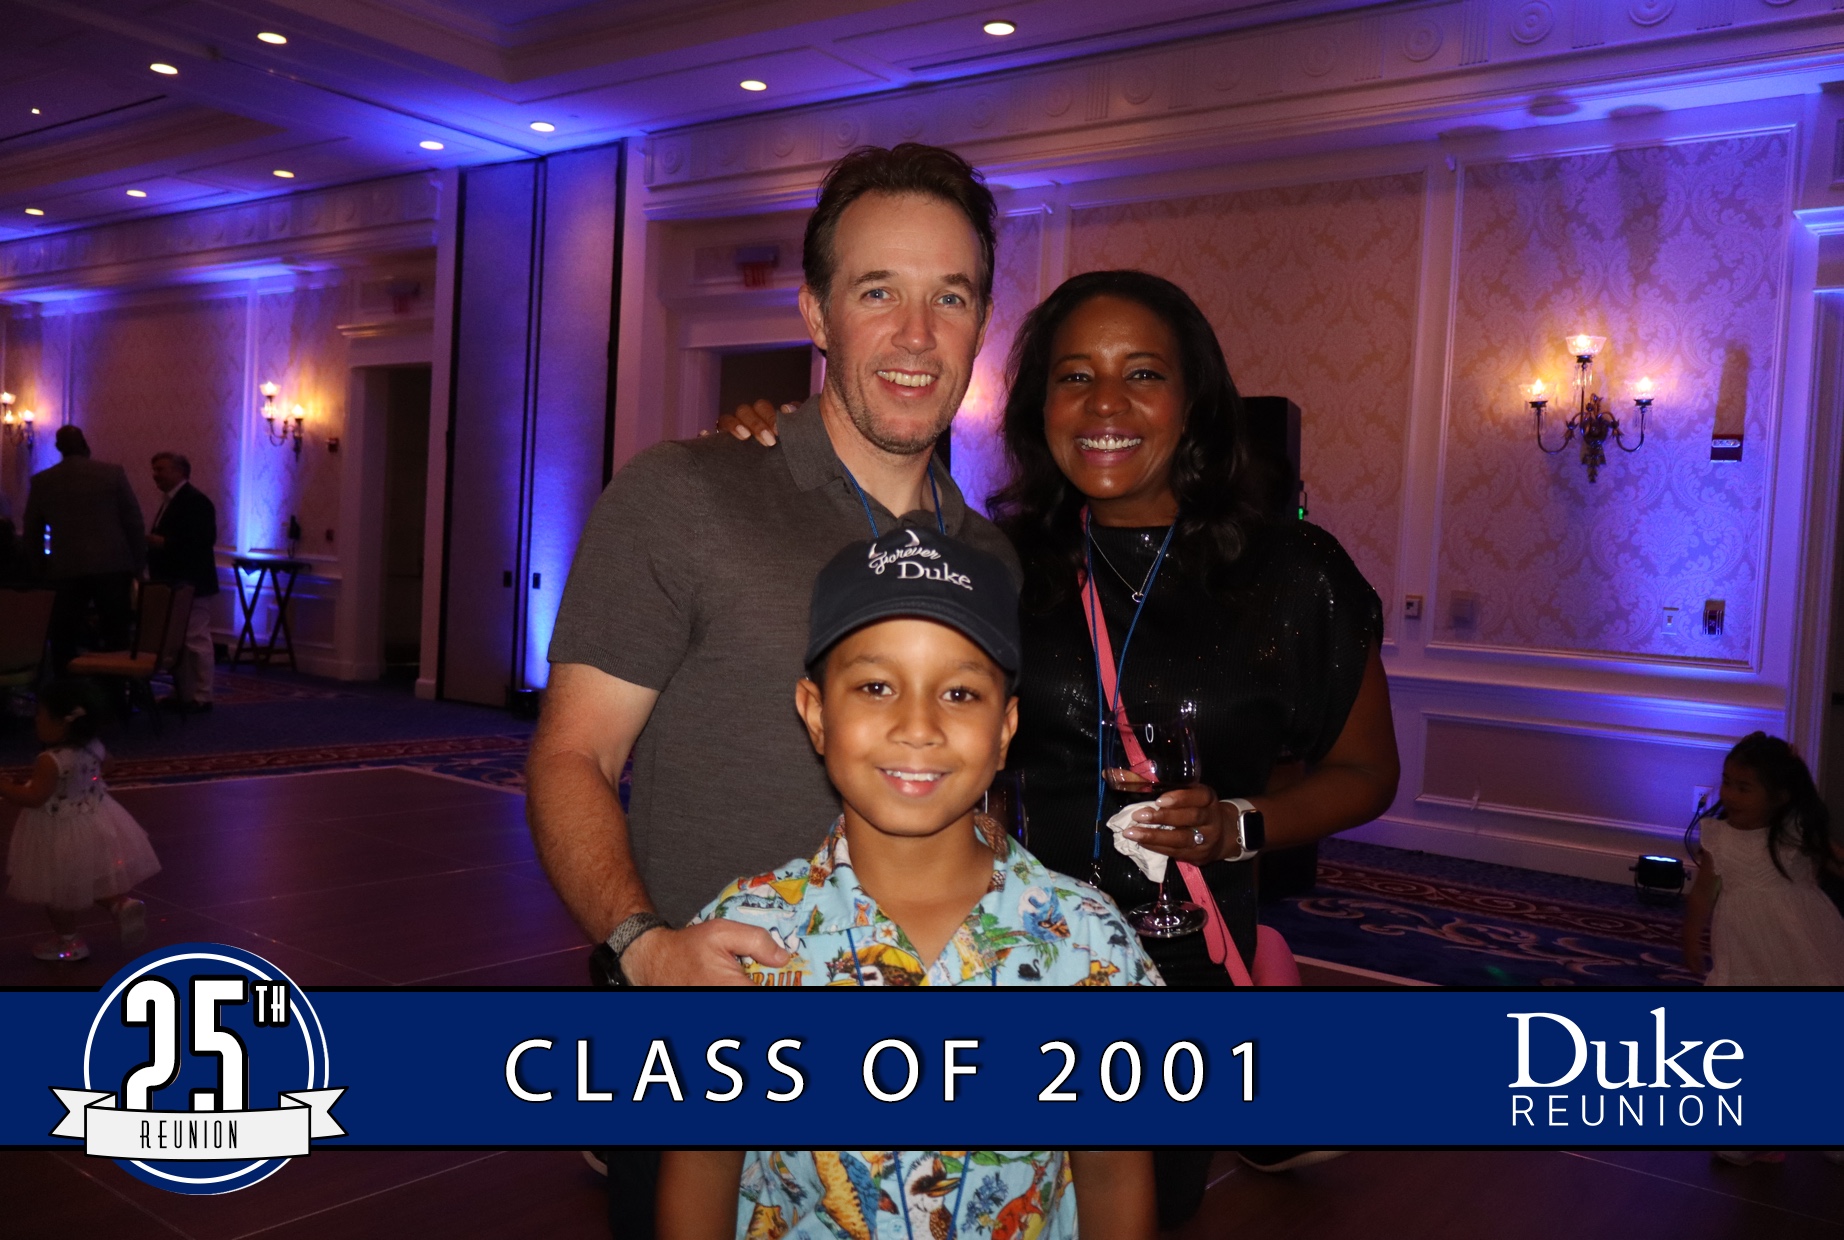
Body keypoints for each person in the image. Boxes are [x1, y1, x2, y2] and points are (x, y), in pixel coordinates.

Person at [722, 269, 1400, 1201]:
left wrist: (1241, 825)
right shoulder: (999, 561)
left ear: (1195, 402)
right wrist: (766, 449)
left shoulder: (1291, 571)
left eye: (1143, 374)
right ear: (1039, 406)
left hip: (1182, 969)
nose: (1105, 403)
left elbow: (1367, 770)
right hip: (1010, 952)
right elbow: (861, 576)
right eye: (1075, 376)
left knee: (1142, 1204)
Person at [528, 143, 1018, 1238]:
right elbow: (571, 755)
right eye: (877, 291)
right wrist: (643, 947)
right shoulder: (685, 494)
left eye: (949, 296)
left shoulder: (990, 556)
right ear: (815, 312)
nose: (916, 334)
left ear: (982, 322)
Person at [657, 526, 1157, 1240]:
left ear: (1006, 727)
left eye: (959, 692)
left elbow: (1114, 1176)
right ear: (816, 713)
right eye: (876, 687)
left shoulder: (1090, 941)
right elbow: (702, 1168)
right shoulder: (740, 937)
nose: (918, 726)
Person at [2, 678, 159, 962]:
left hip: (56, 830)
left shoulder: (50, 760)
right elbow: (108, 765)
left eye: (40, 714)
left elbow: (34, 797)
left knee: (57, 889)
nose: (36, 720)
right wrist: (85, 780)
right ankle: (119, 904)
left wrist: (4, 786)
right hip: (94, 820)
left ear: (62, 722)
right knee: (85, 877)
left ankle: (69, 942)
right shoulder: (92, 746)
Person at [1683, 732, 1844, 987]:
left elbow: (1835, 859)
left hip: (1798, 934)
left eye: (1743, 788)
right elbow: (1703, 892)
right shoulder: (1719, 837)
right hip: (1740, 940)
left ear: (1780, 796)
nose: (1730, 795)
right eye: (1727, 782)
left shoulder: (1796, 830)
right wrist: (1691, 934)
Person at [20, 426, 146, 667]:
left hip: (65, 569)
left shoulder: (42, 481)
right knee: (116, 633)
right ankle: (114, 684)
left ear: (59, 447)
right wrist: (138, 565)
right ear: (85, 444)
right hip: (113, 565)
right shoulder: (112, 474)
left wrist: (40, 569)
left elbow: (32, 531)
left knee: (64, 635)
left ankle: (66, 684)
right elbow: (133, 522)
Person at [145, 451, 219, 712]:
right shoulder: (172, 501)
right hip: (176, 582)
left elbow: (202, 542)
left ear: (179, 472)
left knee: (195, 639)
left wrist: (162, 542)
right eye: (154, 469)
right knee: (180, 641)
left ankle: (202, 695)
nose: (155, 475)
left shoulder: (195, 501)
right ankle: (185, 692)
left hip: (191, 582)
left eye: (160, 469)